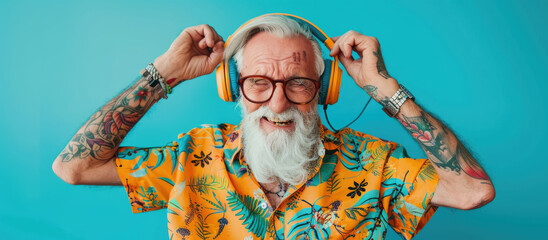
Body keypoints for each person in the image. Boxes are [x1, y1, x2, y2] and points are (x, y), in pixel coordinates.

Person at [53, 14, 495, 240]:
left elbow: (472, 191)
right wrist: (163, 73)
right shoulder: (193, 155)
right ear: (234, 88)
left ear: (324, 89)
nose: (278, 102)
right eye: (259, 83)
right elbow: (75, 168)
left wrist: (384, 88)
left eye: (298, 83)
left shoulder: (375, 164)